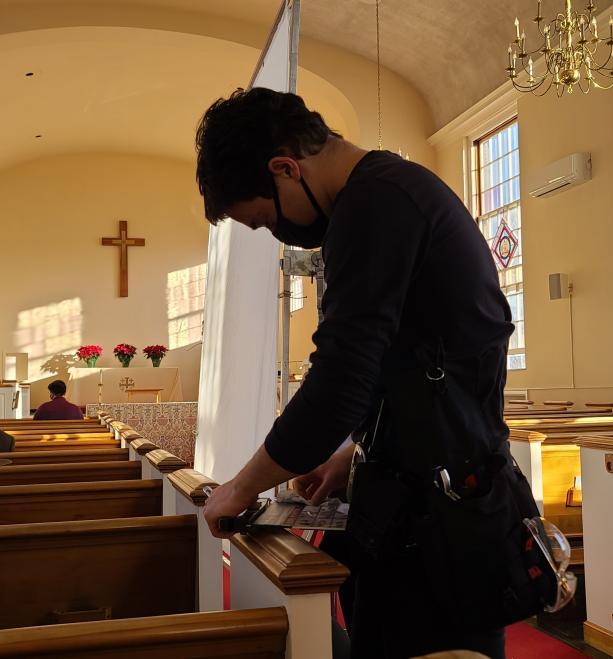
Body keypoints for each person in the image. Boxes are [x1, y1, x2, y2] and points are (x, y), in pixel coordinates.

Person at [195, 89, 514, 659]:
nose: (278, 234)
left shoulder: (374, 203)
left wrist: (240, 488)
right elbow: (411, 364)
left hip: (439, 518)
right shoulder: (389, 193)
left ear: (285, 169)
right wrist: (352, 455)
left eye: (266, 219)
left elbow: (341, 378)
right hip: (437, 491)